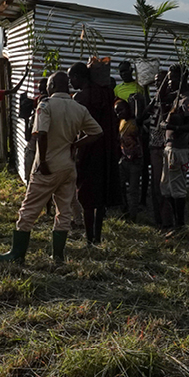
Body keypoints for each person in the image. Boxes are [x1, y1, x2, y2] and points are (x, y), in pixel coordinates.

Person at [0, 71, 103, 265]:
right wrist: (76, 145)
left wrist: (43, 161)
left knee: (29, 209)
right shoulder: (79, 108)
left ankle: (17, 254)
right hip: (68, 166)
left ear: (51, 86)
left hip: (48, 165)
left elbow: (41, 134)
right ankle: (58, 256)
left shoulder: (45, 106)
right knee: (64, 211)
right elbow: (97, 132)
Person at [69, 62, 121, 245]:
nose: (70, 81)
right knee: (99, 197)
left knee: (87, 196)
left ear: (78, 76)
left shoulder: (81, 97)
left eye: (71, 77)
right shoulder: (105, 93)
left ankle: (90, 238)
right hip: (106, 149)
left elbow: (75, 126)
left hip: (88, 149)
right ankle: (96, 237)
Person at [161, 64, 189, 233]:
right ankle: (175, 224)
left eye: (172, 79)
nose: (169, 82)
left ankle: (180, 225)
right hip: (170, 149)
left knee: (177, 189)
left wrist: (173, 128)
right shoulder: (178, 96)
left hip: (178, 150)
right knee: (166, 187)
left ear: (182, 79)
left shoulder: (187, 101)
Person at [144, 69, 172, 229]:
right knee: (155, 186)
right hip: (153, 146)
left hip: (162, 147)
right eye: (155, 82)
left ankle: (167, 221)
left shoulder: (169, 99)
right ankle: (159, 220)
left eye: (159, 82)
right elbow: (145, 114)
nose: (157, 85)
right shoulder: (156, 99)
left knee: (163, 186)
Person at [114, 98, 143, 222]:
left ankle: (133, 215)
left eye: (121, 110)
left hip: (135, 161)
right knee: (120, 187)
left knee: (133, 189)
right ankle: (125, 210)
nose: (119, 113)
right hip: (124, 159)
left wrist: (137, 101)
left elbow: (141, 113)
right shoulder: (121, 122)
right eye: (116, 111)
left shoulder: (134, 122)